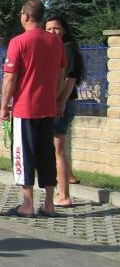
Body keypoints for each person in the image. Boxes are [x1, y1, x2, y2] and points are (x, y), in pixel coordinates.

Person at [0, 0, 66, 219]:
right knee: (47, 154)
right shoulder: (56, 42)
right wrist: (56, 98)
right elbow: (62, 73)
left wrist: (4, 106)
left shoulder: (18, 42)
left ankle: (27, 205)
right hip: (47, 108)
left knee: (23, 154)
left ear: (26, 16)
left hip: (24, 108)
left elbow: (10, 78)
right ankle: (49, 204)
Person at [44, 14, 84, 208]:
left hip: (63, 104)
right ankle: (69, 178)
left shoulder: (67, 49)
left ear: (64, 30)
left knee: (57, 150)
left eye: (56, 28)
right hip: (60, 103)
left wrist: (60, 102)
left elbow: (70, 79)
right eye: (48, 29)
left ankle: (64, 196)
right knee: (59, 148)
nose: (52, 32)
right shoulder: (57, 48)